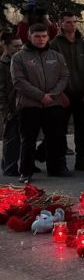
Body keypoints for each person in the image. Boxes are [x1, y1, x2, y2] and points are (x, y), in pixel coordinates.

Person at [11, 24, 71, 182]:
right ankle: (26, 171)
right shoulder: (19, 57)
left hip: (53, 103)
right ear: (29, 37)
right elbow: (19, 81)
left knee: (55, 137)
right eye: (37, 36)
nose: (41, 39)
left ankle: (56, 168)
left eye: (44, 36)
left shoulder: (56, 56)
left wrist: (53, 94)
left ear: (48, 37)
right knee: (29, 139)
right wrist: (40, 96)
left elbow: (64, 77)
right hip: (30, 105)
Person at [50, 13, 84, 171]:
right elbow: (51, 71)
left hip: (82, 93)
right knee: (59, 129)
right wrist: (60, 93)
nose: (71, 25)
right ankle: (59, 162)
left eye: (74, 22)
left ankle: (82, 160)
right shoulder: (54, 45)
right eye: (68, 22)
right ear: (60, 24)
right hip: (63, 94)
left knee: (82, 129)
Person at [1, 33, 23, 176]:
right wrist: (6, 110)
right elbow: (1, 91)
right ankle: (9, 167)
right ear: (6, 46)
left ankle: (27, 163)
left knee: (24, 138)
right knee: (11, 139)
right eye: (16, 46)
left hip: (23, 104)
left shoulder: (21, 60)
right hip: (11, 107)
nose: (19, 49)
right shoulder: (3, 65)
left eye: (21, 46)